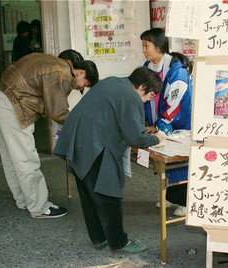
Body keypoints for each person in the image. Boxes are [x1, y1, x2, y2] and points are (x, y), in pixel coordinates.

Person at [53, 67, 164, 253]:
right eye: (149, 94)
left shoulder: (113, 81)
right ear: (142, 86)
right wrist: (156, 139)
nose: (147, 100)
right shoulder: (130, 95)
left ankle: (99, 238)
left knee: (89, 194)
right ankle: (119, 242)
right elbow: (135, 138)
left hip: (78, 142)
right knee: (108, 195)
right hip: (94, 145)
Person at [0, 50, 99, 218]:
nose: (81, 87)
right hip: (13, 108)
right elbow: (58, 112)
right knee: (26, 159)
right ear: (80, 72)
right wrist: (86, 125)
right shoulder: (61, 73)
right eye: (85, 83)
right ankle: (39, 207)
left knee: (11, 158)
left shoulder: (51, 62)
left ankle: (23, 200)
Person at [140, 28, 193, 217]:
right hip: (161, 121)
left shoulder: (177, 71)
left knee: (179, 161)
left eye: (147, 45)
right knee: (166, 163)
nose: (144, 49)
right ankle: (171, 196)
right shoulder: (149, 65)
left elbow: (173, 104)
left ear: (159, 46)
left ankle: (187, 203)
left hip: (179, 123)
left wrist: (162, 126)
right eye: (143, 45)